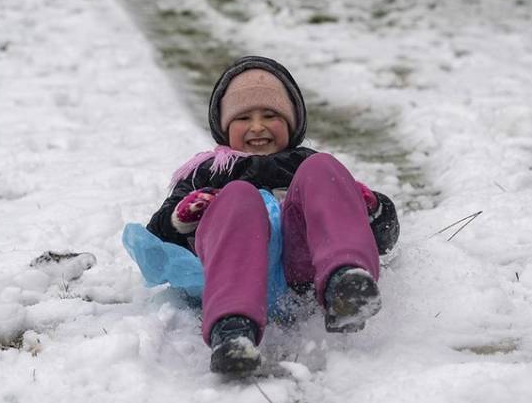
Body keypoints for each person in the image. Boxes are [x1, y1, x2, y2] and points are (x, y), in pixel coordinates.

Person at [147, 56, 399, 374]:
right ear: (223, 127)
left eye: (270, 115)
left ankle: (345, 284)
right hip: (235, 272)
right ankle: (233, 331)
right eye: (243, 118)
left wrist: (371, 209)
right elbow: (156, 241)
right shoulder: (207, 172)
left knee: (324, 169)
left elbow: (384, 235)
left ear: (292, 123)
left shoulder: (309, 166)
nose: (257, 126)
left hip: (304, 274)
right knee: (237, 195)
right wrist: (181, 219)